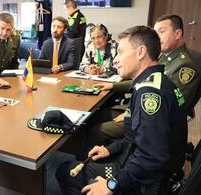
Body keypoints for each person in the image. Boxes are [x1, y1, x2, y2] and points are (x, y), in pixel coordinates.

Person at [56, 26, 188, 195]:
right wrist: (110, 149)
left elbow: (151, 157)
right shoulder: (156, 81)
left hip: (148, 183)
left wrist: (112, 184)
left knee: (66, 171)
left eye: (120, 52)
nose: (116, 59)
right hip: (140, 163)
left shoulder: (149, 95)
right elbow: (137, 138)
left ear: (141, 52)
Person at [80, 14, 201, 152]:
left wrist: (129, 115)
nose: (157, 36)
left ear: (178, 33)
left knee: (97, 130)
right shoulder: (164, 56)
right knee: (95, 114)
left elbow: (170, 110)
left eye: (161, 31)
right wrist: (113, 85)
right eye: (155, 32)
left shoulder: (184, 67)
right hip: (140, 108)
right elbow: (145, 79)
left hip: (151, 119)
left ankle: (87, 165)